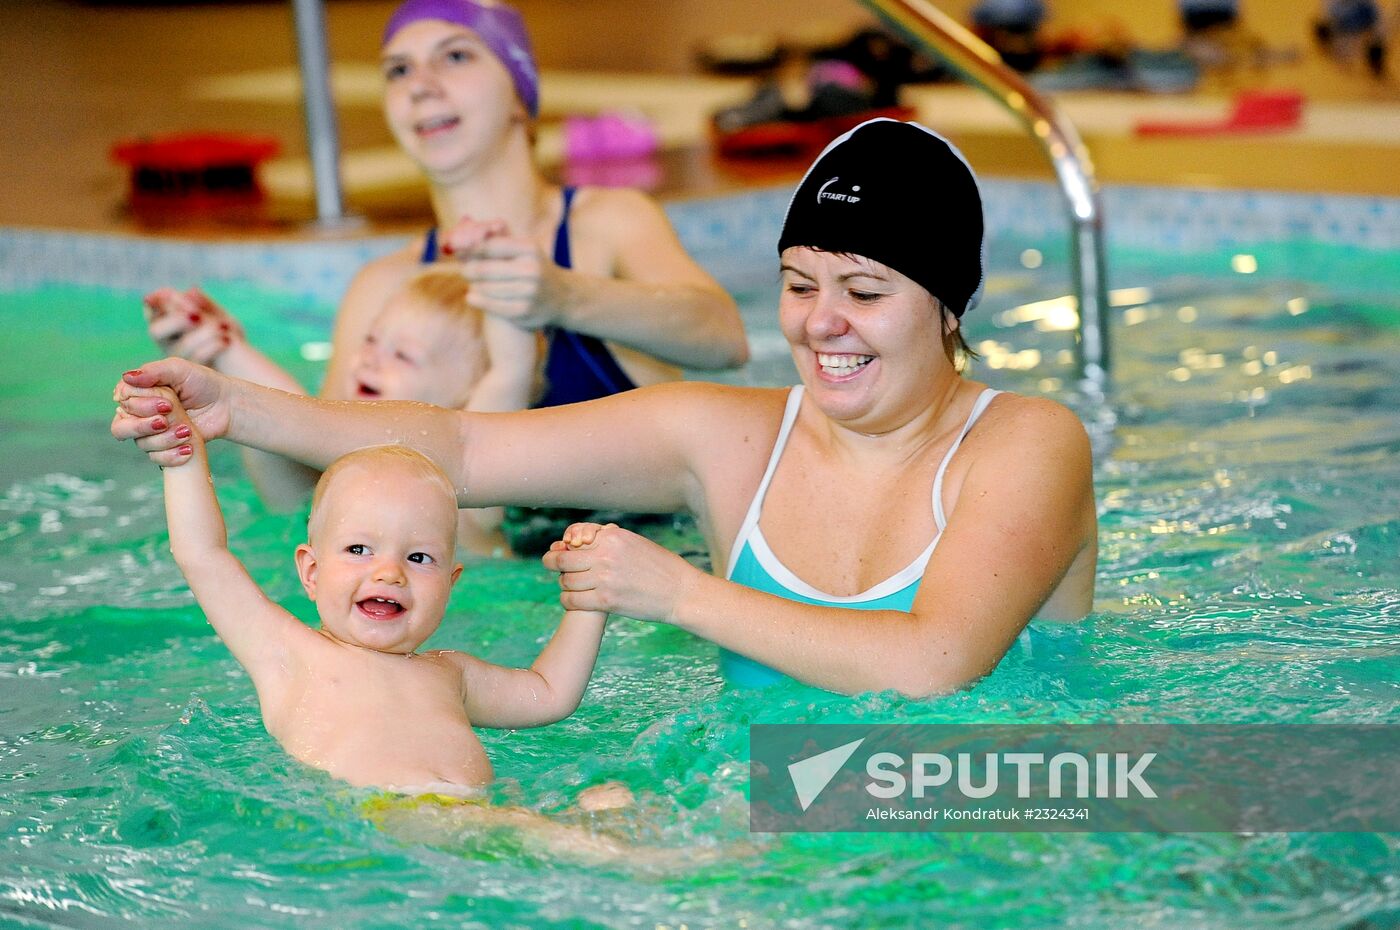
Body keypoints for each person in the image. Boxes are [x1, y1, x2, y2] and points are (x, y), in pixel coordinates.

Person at [114, 119, 1098, 698]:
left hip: (998, 808)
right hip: (774, 816)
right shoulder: (722, 435)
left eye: (866, 291)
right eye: (799, 284)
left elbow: (933, 667)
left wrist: (676, 596)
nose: (821, 324)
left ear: (946, 303)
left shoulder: (1024, 442)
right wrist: (234, 405)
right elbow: (456, 445)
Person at [143, 0, 747, 505]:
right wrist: (229, 368)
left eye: (455, 56)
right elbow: (312, 497)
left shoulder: (603, 226)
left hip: (644, 563)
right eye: (398, 71)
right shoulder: (385, 285)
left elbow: (723, 339)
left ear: (520, 92)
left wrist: (566, 296)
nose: (422, 87)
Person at [151, 387, 610, 793]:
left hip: (474, 819)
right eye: (358, 549)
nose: (390, 573)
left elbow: (548, 693)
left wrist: (590, 597)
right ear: (311, 572)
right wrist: (181, 454)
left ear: (450, 585)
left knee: (603, 803)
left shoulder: (454, 676)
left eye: (418, 558)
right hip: (381, 818)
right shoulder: (287, 655)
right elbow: (203, 555)